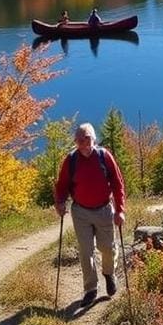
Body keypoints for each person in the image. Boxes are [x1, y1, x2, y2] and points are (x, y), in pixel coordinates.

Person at [54, 122, 126, 307]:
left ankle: (109, 274)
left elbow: (118, 184)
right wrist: (60, 202)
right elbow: (61, 185)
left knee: (107, 248)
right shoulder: (71, 160)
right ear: (75, 141)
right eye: (79, 140)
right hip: (81, 212)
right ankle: (90, 289)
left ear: (94, 139)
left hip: (103, 209)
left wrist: (120, 210)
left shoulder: (104, 156)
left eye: (87, 139)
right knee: (86, 251)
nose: (84, 144)